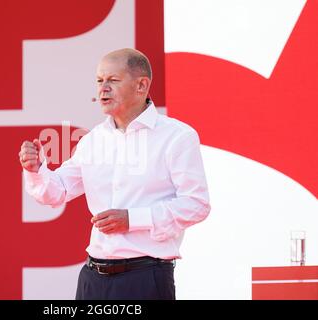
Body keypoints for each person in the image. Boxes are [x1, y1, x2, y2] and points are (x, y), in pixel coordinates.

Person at [19, 48, 210, 300]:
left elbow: (196, 205)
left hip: (145, 277)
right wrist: (36, 170)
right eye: (99, 81)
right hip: (92, 278)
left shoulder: (177, 136)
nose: (103, 88)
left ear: (142, 85)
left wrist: (133, 219)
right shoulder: (93, 140)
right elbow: (57, 192)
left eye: (113, 80)